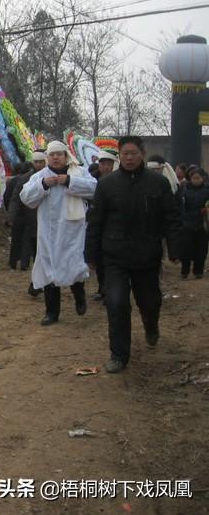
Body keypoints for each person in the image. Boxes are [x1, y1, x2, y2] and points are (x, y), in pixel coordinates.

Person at [85, 136, 181, 374]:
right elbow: (95, 221)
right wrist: (91, 254)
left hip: (147, 256)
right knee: (116, 304)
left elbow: (170, 218)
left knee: (149, 302)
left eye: (133, 153)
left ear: (142, 154)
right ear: (119, 156)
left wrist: (175, 248)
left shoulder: (158, 183)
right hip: (114, 256)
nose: (128, 158)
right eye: (124, 154)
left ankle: (151, 325)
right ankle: (118, 354)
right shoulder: (107, 185)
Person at [20, 140, 97, 325]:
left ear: (65, 156)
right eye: (52, 155)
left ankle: (80, 297)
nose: (55, 157)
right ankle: (51, 312)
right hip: (48, 233)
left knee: (73, 266)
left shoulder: (78, 172)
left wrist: (69, 181)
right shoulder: (40, 176)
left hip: (73, 231)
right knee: (49, 271)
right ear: (48, 158)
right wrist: (43, 185)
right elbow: (26, 197)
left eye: (59, 154)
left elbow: (95, 188)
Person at [9, 151, 47, 280]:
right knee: (28, 240)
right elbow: (16, 198)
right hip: (29, 216)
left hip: (46, 218)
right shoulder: (26, 178)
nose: (39, 165)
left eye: (41, 162)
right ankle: (25, 264)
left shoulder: (52, 177)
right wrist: (12, 216)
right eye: (36, 162)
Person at [91, 150, 120, 301]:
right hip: (97, 224)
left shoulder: (120, 180)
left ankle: (111, 291)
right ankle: (102, 289)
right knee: (100, 262)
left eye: (109, 164)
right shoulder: (92, 179)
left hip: (115, 226)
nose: (105, 167)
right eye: (103, 164)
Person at [178, 167, 209, 279]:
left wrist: (206, 209)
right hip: (187, 223)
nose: (195, 180)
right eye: (193, 178)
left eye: (198, 178)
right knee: (186, 249)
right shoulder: (184, 189)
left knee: (201, 249)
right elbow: (180, 206)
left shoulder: (207, 190)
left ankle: (198, 271)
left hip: (202, 224)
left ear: (203, 178)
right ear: (190, 179)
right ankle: (184, 271)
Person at [6, 161, 31, 269]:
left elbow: (7, 197)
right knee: (26, 239)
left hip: (16, 214)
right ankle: (24, 264)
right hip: (28, 213)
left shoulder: (12, 181)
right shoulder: (31, 180)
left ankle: (13, 263)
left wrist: (10, 212)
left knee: (15, 239)